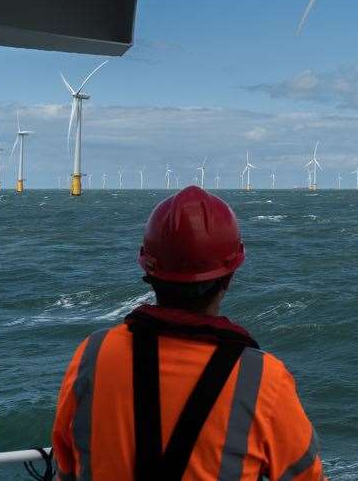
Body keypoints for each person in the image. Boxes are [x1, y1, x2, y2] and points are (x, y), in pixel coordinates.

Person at [51, 186, 326, 481]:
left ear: (150, 272)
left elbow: (66, 464)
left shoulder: (93, 354)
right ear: (228, 278)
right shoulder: (264, 379)